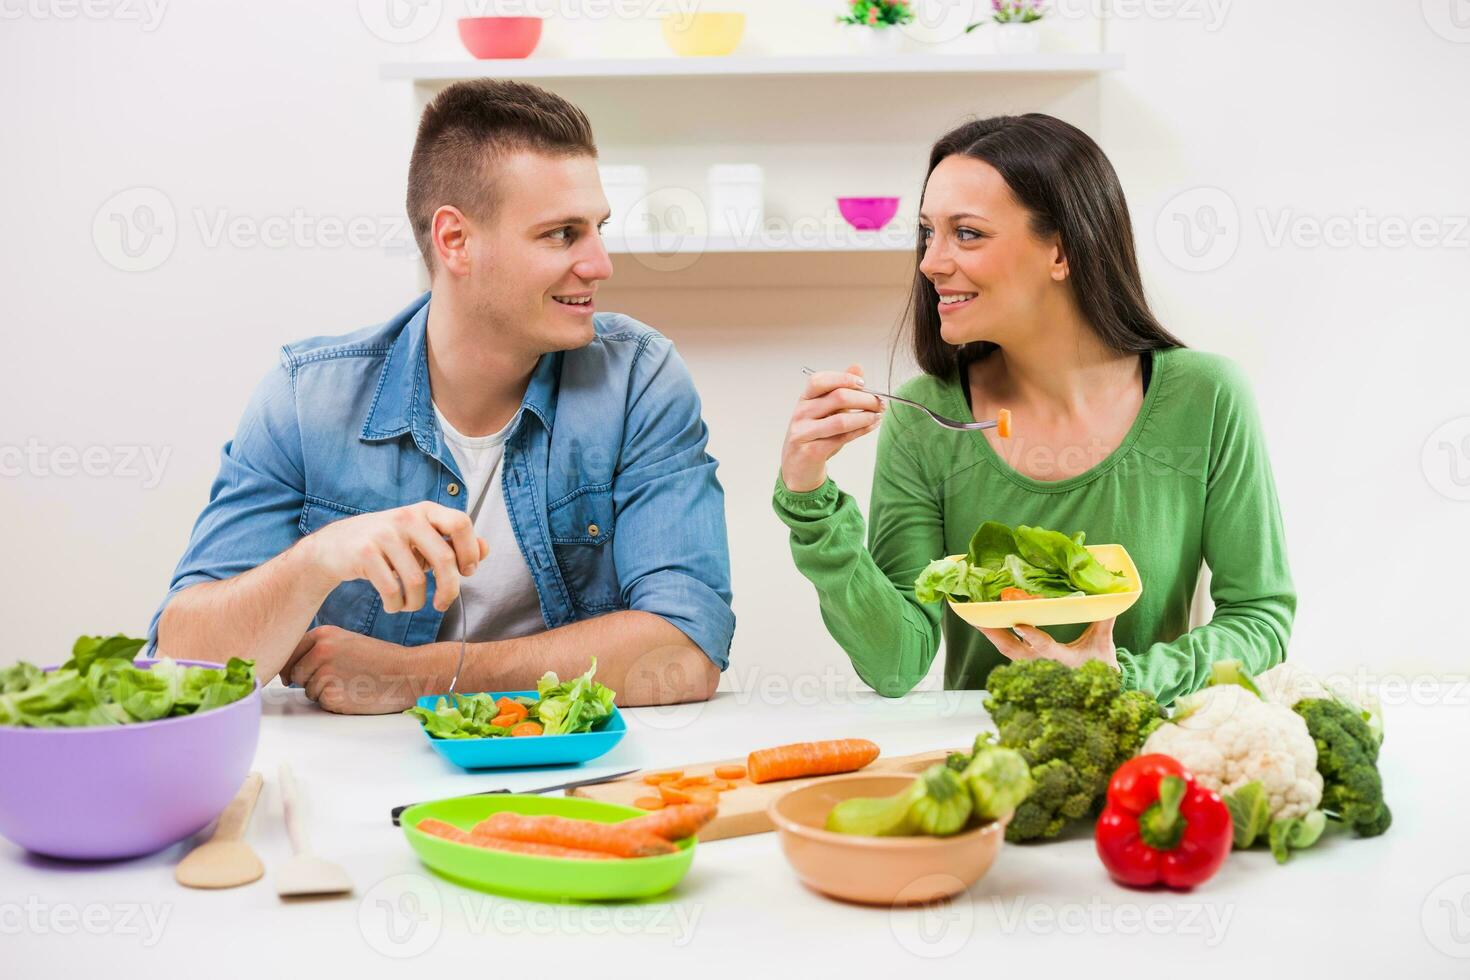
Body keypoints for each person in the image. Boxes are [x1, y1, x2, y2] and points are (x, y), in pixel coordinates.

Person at [149, 79, 734, 713]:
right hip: (357, 781)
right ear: (455, 240)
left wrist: (425, 675)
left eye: (598, 228)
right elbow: (181, 668)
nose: (600, 264)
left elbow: (685, 653)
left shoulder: (637, 380)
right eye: (562, 234)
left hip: (575, 772)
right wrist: (314, 561)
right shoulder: (306, 398)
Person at [774, 114, 1294, 706]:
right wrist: (807, 495)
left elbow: (1260, 617)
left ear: (1061, 251)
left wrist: (1125, 678)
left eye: (966, 233)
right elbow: (896, 662)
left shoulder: (1205, 397)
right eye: (927, 234)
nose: (930, 262)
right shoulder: (927, 416)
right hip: (981, 761)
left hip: (1147, 756)